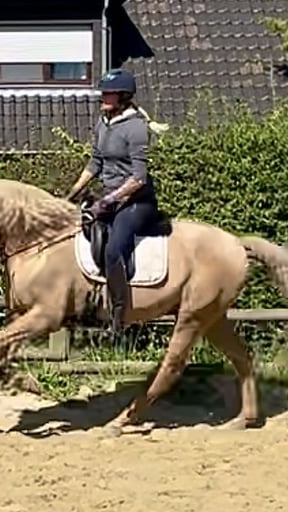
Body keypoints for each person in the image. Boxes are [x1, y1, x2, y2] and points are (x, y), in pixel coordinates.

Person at [67, 68, 167, 334]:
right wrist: (73, 193)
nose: (103, 96)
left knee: (113, 250)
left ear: (123, 96)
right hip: (111, 199)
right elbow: (95, 162)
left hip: (136, 203)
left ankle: (119, 320)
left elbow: (139, 178)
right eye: (104, 92)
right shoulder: (104, 122)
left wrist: (109, 200)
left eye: (109, 93)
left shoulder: (135, 128)